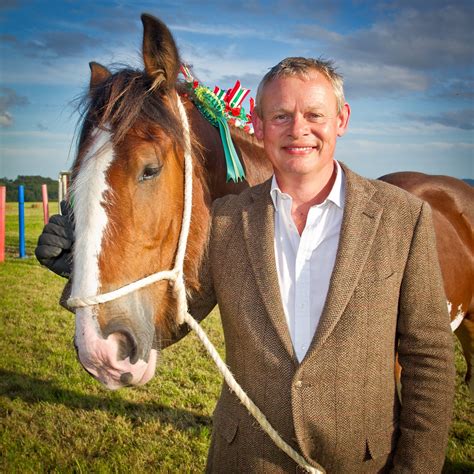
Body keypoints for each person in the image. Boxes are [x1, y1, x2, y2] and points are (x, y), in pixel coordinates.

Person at [36, 57, 455, 473]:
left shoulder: (403, 217)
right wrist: (90, 278)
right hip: (246, 462)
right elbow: (173, 322)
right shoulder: (226, 221)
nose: (298, 129)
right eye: (280, 116)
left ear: (341, 119)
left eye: (314, 114)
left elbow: (429, 357)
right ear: (256, 124)